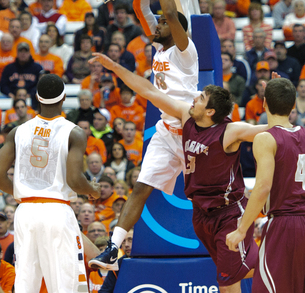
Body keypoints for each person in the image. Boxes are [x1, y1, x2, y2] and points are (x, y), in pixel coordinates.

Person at [88, 52, 274, 293]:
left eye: (201, 98)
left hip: (228, 211)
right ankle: (273, 261)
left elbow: (271, 130)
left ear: (210, 112)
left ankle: (278, 262)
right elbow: (148, 91)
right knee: (230, 274)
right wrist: (114, 67)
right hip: (201, 214)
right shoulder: (186, 115)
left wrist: (274, 103)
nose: (195, 98)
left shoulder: (231, 131)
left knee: (227, 283)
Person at [90, 0, 199, 271]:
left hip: (194, 130)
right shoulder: (159, 46)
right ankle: (112, 248)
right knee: (140, 186)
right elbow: (143, 8)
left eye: (164, 22)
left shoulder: (185, 50)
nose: (159, 22)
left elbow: (167, 8)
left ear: (176, 28)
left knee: (208, 195)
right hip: (167, 131)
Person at [0, 73, 101, 292]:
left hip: (25, 211)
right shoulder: (74, 132)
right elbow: (75, 180)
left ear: (37, 98)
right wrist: (93, 189)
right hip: (56, 210)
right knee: (64, 283)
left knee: (26, 282)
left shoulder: (18, 131)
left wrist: (22, 192)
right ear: (64, 98)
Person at [226, 78, 305, 293]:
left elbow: (262, 188)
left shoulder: (265, 138)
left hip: (283, 225)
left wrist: (241, 230)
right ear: (292, 106)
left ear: (264, 104)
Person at [0, 42, 43, 108]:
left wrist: (30, 94)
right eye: (20, 51)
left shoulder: (37, 68)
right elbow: (3, 84)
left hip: (31, 96)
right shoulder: (9, 68)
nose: (23, 54)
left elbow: (40, 85)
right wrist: (10, 94)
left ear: (29, 53)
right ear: (17, 53)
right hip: (11, 96)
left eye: (25, 51)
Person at [99, 229, 134, 293]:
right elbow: (104, 291)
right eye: (123, 241)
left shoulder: (150, 262)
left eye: (130, 240)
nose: (126, 244)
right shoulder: (116, 265)